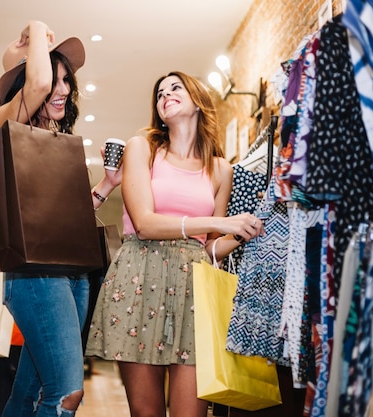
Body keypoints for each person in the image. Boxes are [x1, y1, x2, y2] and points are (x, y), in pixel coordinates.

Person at [85, 71, 265, 417]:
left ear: (198, 101)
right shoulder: (143, 149)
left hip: (193, 290)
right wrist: (217, 222)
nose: (165, 94)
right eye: (159, 93)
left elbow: (209, 248)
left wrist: (239, 234)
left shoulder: (221, 169)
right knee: (147, 413)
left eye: (175, 88)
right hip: (139, 279)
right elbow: (145, 223)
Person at [0, 20, 121, 417]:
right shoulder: (3, 125)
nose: (63, 90)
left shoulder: (57, 142)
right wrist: (36, 28)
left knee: (28, 392)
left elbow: (64, 219)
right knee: (66, 392)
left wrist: (106, 186)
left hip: (73, 275)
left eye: (67, 81)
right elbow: (36, 84)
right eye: (53, 80)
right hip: (35, 277)